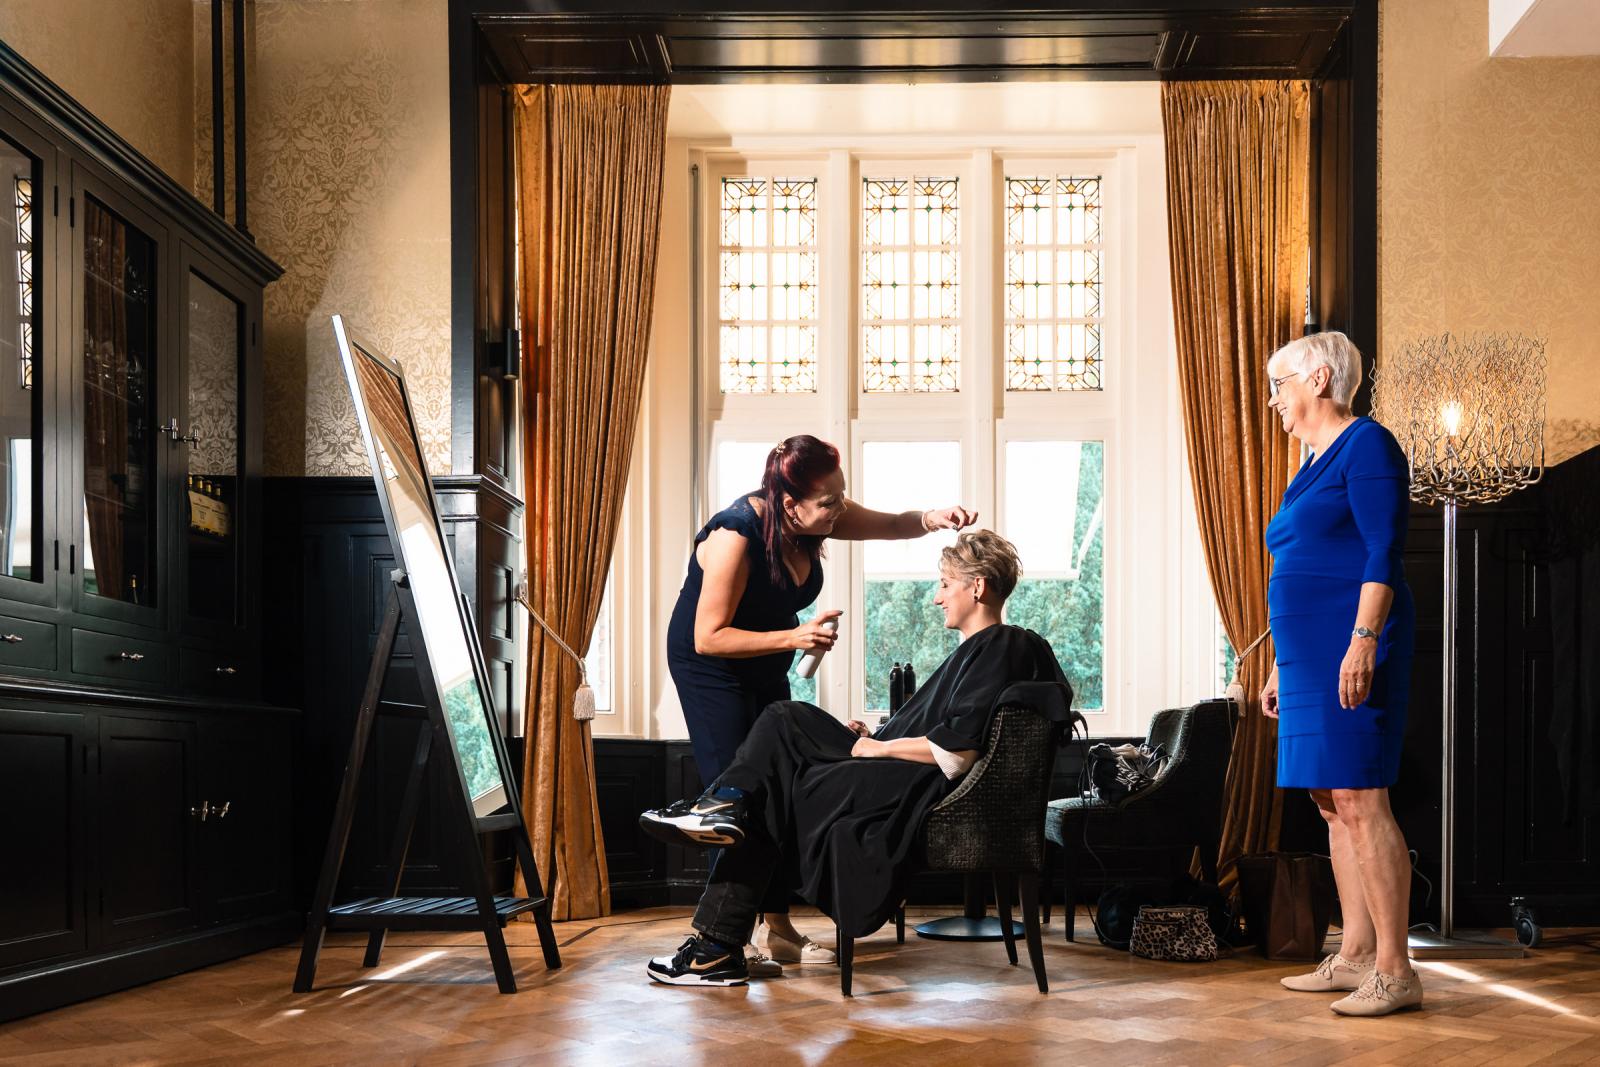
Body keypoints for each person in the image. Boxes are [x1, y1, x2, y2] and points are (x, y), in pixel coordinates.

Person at [643, 530, 1070, 987]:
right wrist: (875, 736)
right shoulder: (983, 650)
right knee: (782, 729)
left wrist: (881, 747)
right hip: (894, 771)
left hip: (912, 787)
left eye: (945, 584)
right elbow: (946, 730)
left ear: (978, 586)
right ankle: (725, 826)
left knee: (779, 742)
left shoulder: (1003, 645)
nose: (936, 597)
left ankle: (715, 927)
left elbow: (957, 752)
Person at [666, 434, 977, 974]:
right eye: (830, 502)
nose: (840, 509)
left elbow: (888, 525)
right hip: (712, 671)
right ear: (790, 505)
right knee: (737, 801)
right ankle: (718, 946)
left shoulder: (817, 513)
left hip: (763, 661)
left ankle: (778, 929)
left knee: (778, 785)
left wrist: (934, 517)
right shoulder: (733, 535)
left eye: (841, 496)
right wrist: (792, 638)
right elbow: (708, 637)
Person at [1259, 332, 1422, 1016]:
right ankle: (1354, 952)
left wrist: (1363, 640)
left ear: (1319, 377)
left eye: (1281, 386)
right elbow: (1296, 563)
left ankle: (1396, 968)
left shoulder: (1368, 445)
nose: (1275, 402)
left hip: (1354, 643)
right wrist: (1276, 660)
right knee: (1329, 802)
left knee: (1361, 798)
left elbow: (1383, 549)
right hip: (1305, 655)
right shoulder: (1311, 463)